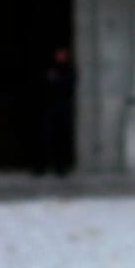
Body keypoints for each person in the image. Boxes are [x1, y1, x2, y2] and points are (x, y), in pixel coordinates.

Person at [34, 45, 76, 178]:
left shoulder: (68, 70)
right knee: (45, 138)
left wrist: (56, 80)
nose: (61, 57)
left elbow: (68, 84)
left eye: (63, 54)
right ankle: (40, 166)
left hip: (62, 110)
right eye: (59, 54)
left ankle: (60, 167)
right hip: (48, 109)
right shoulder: (49, 69)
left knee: (61, 139)